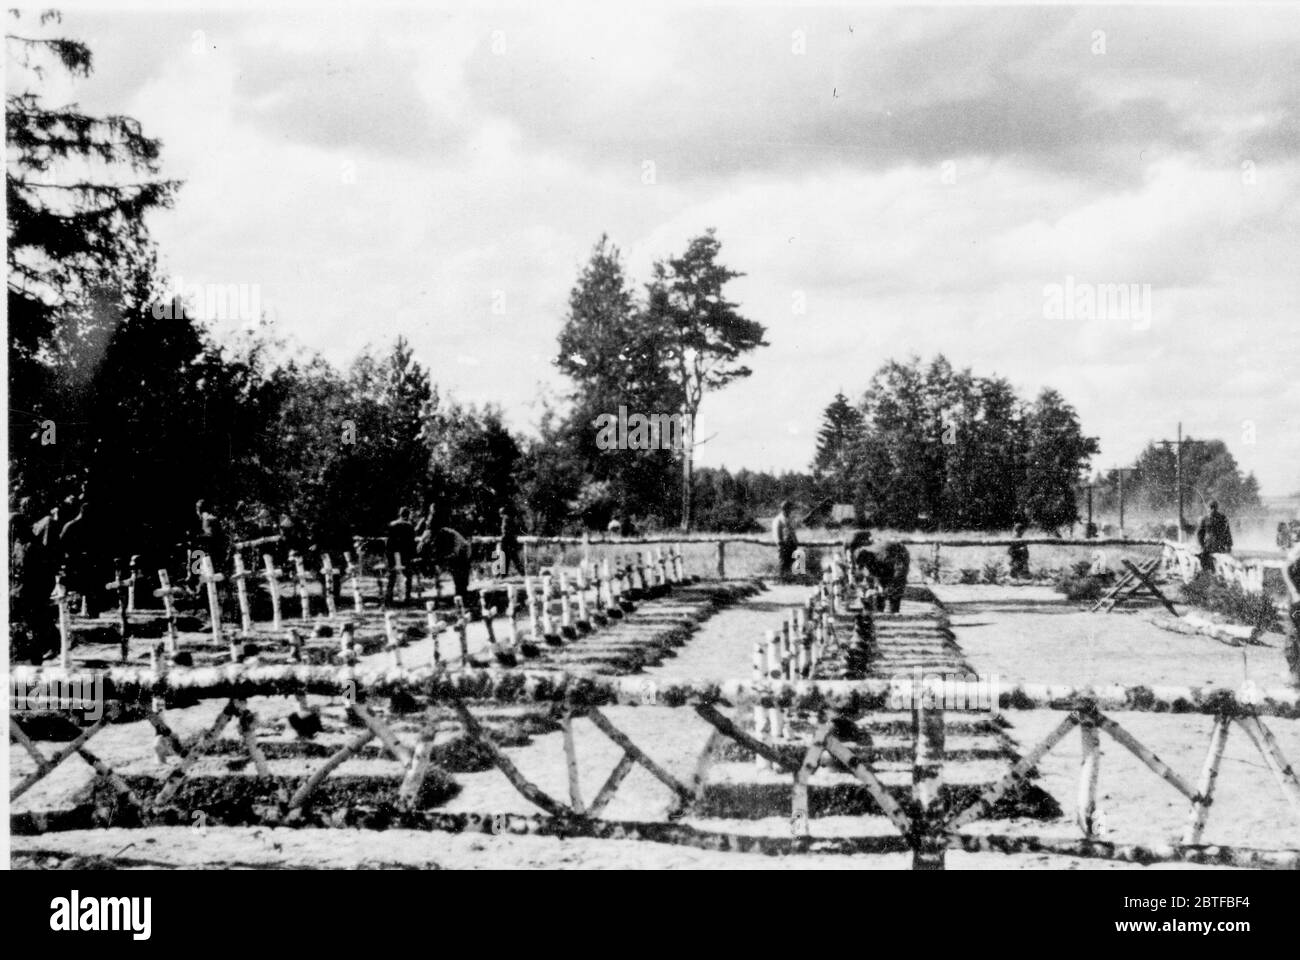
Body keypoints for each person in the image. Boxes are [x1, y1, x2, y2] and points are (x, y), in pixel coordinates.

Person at [847, 530, 911, 613]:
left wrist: (892, 585)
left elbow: (900, 570)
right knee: (882, 588)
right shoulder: (868, 559)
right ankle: (880, 611)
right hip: (887, 560)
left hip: (899, 553)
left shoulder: (881, 556)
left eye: (864, 563)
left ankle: (894, 611)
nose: (865, 565)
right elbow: (875, 575)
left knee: (896, 587)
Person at [59, 499, 98, 617]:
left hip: (87, 562)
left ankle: (92, 611)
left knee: (91, 587)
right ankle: (70, 609)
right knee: (73, 587)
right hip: (73, 562)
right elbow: (61, 544)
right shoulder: (71, 526)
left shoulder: (90, 526)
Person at [385, 507, 417, 604]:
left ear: (399, 514)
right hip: (405, 554)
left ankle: (389, 598)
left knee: (392, 576)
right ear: (408, 515)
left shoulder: (392, 524)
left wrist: (389, 555)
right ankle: (407, 597)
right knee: (408, 576)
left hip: (393, 554)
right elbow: (412, 542)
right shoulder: (410, 526)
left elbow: (388, 542)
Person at [430, 527, 473, 598]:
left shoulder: (449, 534)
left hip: (462, 552)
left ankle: (462, 593)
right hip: (456, 553)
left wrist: (449, 556)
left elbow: (457, 547)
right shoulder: (440, 534)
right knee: (457, 575)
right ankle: (460, 593)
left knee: (462, 576)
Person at [1195, 500, 1233, 573]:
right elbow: (1200, 534)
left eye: (1214, 507)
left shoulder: (1222, 518)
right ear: (1208, 508)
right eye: (1211, 507)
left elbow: (1227, 532)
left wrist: (1229, 545)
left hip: (1220, 545)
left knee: (1221, 564)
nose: (1213, 509)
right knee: (1206, 562)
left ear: (1217, 508)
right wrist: (1201, 545)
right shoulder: (1205, 519)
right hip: (1209, 546)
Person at [773, 500, 799, 580]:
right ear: (783, 509)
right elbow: (776, 532)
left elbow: (792, 531)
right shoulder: (778, 519)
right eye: (787, 509)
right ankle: (782, 579)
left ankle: (790, 579)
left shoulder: (790, 519)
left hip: (791, 544)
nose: (789, 511)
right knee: (783, 563)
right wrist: (779, 542)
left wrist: (796, 541)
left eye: (790, 509)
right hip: (783, 544)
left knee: (792, 562)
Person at [498, 506, 524, 577]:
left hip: (506, 541)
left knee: (505, 558)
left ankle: (503, 575)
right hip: (511, 541)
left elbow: (505, 531)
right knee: (514, 558)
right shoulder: (510, 519)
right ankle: (522, 573)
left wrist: (504, 539)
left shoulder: (505, 519)